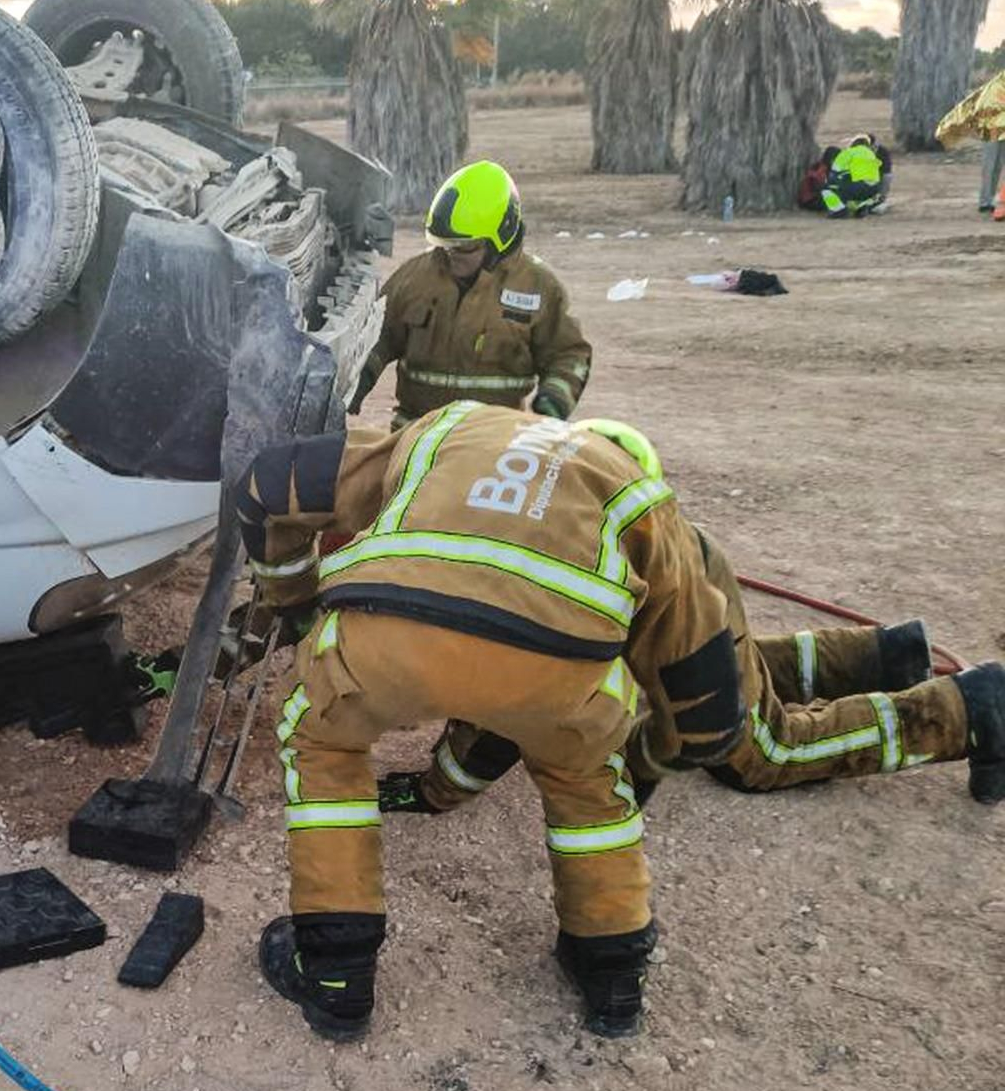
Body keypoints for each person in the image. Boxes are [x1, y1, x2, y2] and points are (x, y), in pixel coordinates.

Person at [233, 403, 752, 1042]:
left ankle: (336, 977)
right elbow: (699, 671)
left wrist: (294, 601)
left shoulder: (452, 427)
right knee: (588, 785)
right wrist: (668, 752)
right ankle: (611, 974)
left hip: (387, 640)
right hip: (558, 677)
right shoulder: (644, 496)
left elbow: (267, 481)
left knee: (322, 744)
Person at [379, 443, 1003, 816]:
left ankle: (967, 711)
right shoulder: (489, 553)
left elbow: (496, 724)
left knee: (760, 755)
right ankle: (885, 655)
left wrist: (434, 793)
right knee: (712, 670)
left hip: (670, 584)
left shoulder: (510, 598)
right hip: (669, 557)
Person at [348, 161, 591, 429]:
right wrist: (356, 383)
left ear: (501, 236)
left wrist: (554, 402)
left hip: (493, 440)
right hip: (415, 434)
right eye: (445, 246)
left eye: (464, 248)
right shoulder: (414, 278)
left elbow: (568, 355)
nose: (452, 255)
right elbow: (376, 338)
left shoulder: (538, 287)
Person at [819, 135, 885, 218]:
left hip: (858, 186)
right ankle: (861, 206)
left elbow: (834, 171)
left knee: (827, 188)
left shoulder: (849, 152)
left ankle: (838, 210)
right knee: (854, 188)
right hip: (874, 188)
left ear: (853, 144)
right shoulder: (871, 155)